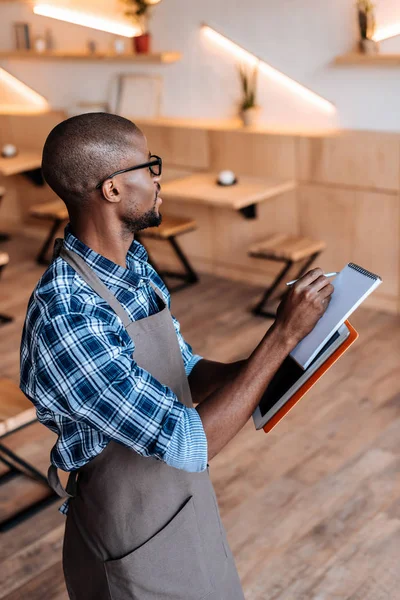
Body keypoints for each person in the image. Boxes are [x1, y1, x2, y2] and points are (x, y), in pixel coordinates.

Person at [20, 113, 333, 600]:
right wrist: (280, 339)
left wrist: (275, 367)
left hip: (183, 509)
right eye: (150, 166)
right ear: (112, 190)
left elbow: (182, 369)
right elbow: (189, 442)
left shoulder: (133, 266)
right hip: (128, 535)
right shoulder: (68, 312)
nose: (159, 178)